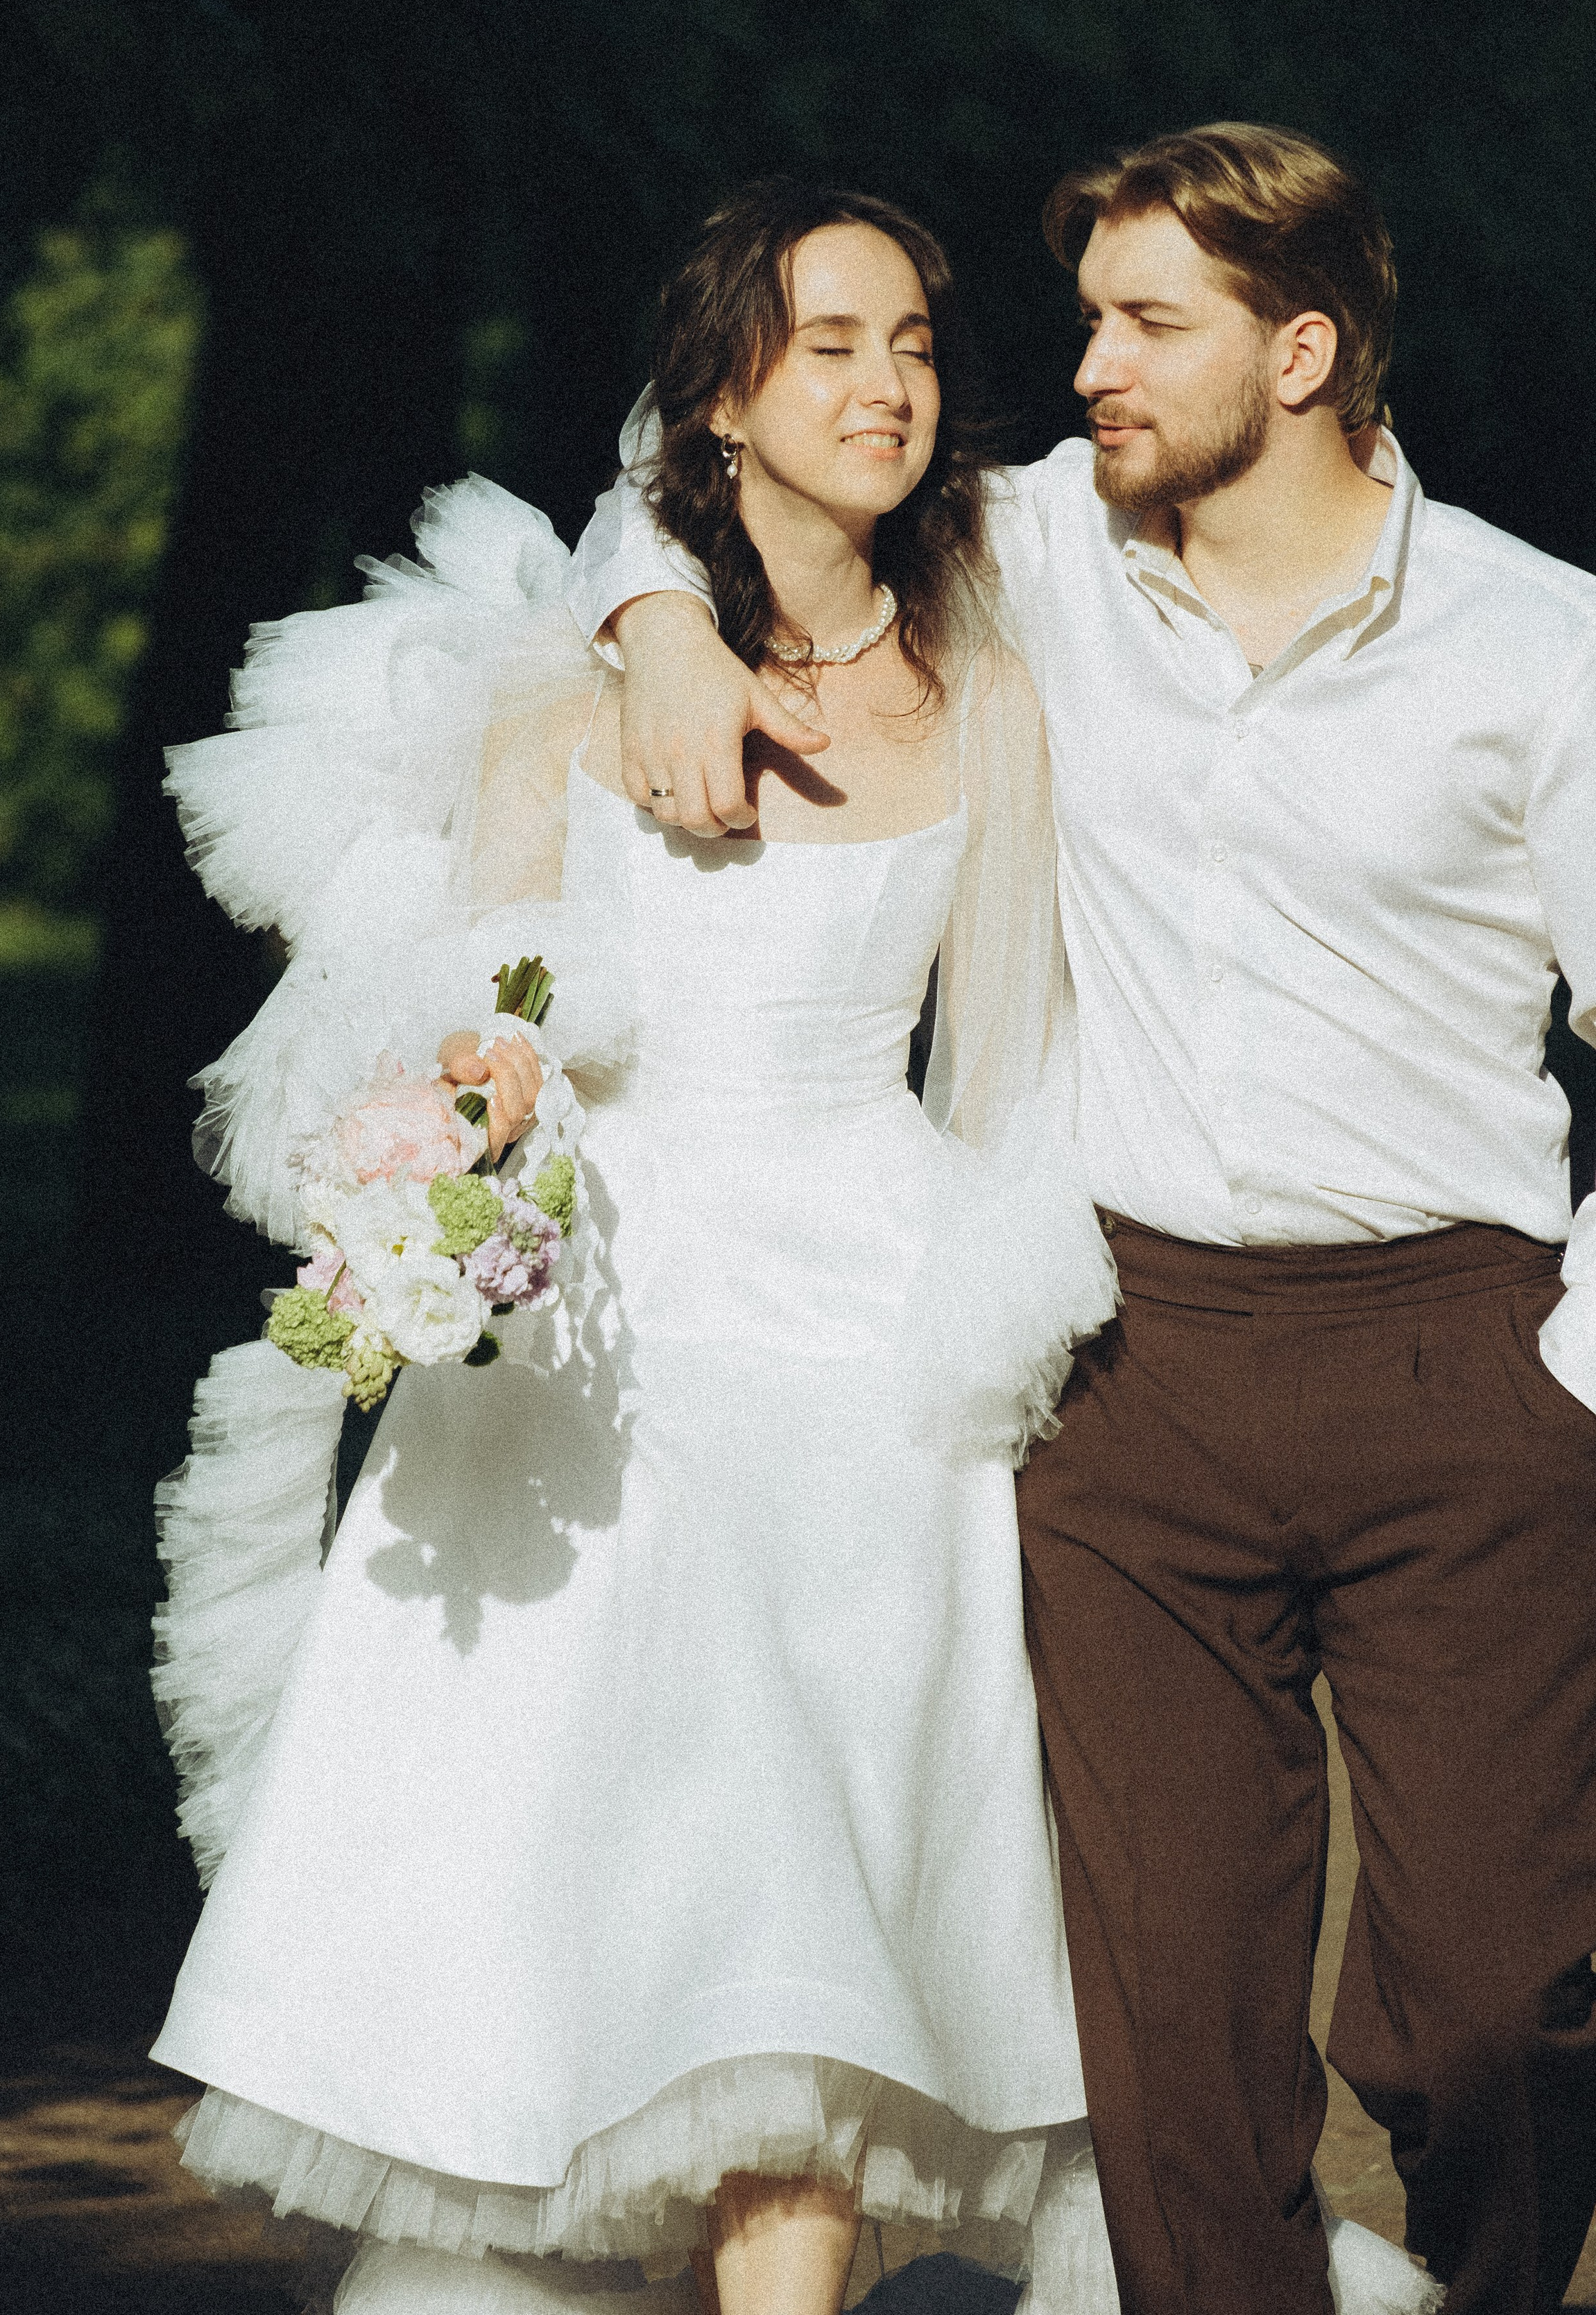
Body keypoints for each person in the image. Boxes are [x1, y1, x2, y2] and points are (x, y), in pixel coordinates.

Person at [571, 125, 1596, 2315]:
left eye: (1148, 324)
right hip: (1133, 1370)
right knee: (1176, 2040)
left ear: (1301, 349)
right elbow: (703, 460)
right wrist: (655, 620)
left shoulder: (1544, 644)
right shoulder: (1026, 547)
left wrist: (1570, 1374)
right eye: (1089, 316)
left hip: (1462, 1353)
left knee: (1507, 2004)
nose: (1088, 366)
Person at [150, 183, 1134, 2315]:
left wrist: (1007, 1339)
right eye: (832, 345)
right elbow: (499, 1018)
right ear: (721, 392)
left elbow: (1019, 1067)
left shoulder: (987, 694)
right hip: (611, 1338)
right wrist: (458, 1177)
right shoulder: (571, 699)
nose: (887, 388)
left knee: (824, 1905)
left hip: (874, 1346)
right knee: (617, 1876)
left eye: (915, 347)